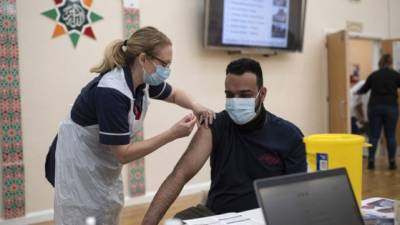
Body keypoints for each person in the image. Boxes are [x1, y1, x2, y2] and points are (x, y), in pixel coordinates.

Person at [44, 26, 215, 225]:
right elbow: (123, 154)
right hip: (78, 163)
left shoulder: (143, 80)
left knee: (107, 210)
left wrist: (196, 105)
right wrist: (172, 134)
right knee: (82, 217)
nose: (167, 70)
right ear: (143, 59)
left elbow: (175, 94)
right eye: (164, 64)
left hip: (101, 161)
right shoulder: (112, 91)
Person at [141, 58, 307, 225]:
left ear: (262, 94)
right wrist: (148, 223)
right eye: (229, 95)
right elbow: (180, 174)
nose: (235, 101)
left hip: (265, 218)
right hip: (215, 215)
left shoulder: (289, 136)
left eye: (244, 95)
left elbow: (298, 196)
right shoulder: (214, 125)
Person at [357, 54, 400, 170]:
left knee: (374, 135)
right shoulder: (396, 75)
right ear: (390, 63)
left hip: (375, 106)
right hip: (391, 106)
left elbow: (363, 90)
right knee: (390, 136)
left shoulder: (374, 75)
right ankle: (392, 162)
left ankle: (371, 160)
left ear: (380, 63)